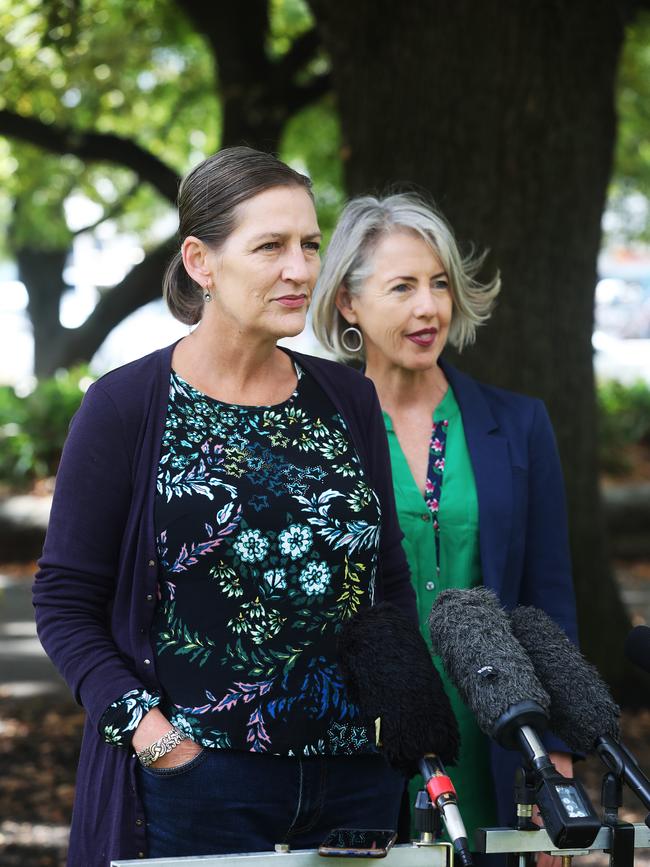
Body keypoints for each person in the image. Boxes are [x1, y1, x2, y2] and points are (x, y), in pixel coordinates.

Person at [33, 149, 416, 867]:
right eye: (269, 246)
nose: (299, 268)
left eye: (308, 244)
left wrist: (401, 722)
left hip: (358, 787)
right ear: (200, 262)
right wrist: (155, 738)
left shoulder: (348, 399)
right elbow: (62, 598)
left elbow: (386, 580)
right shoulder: (124, 406)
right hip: (201, 785)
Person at [311, 193, 578, 857]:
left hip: (494, 736)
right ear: (349, 302)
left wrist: (559, 759)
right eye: (402, 287)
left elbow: (551, 601)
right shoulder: (315, 429)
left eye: (438, 283)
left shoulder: (519, 425)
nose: (429, 307)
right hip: (359, 745)